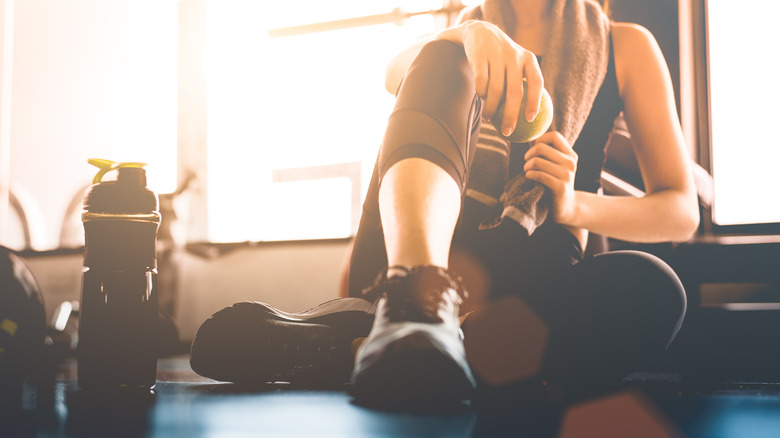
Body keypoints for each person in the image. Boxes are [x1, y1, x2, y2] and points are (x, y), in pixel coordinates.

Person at [191, 0, 698, 409]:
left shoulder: (625, 44)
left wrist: (572, 206)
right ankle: (419, 307)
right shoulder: (457, 35)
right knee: (441, 54)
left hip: (529, 281)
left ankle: (367, 347)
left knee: (654, 290)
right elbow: (393, 71)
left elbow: (680, 209)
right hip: (406, 259)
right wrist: (464, 35)